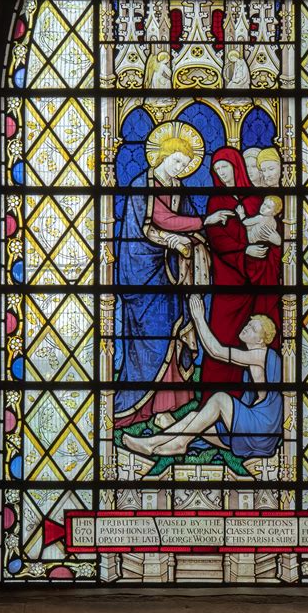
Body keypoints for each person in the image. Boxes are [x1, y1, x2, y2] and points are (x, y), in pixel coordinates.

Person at [114, 122, 209, 426]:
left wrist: (195, 238)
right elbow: (159, 220)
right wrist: (189, 230)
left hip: (170, 273)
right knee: (150, 338)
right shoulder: (142, 185)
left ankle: (166, 408)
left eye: (185, 164)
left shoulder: (179, 188)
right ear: (161, 157)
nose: (180, 168)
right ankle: (143, 406)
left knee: (172, 330)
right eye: (176, 161)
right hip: (143, 274)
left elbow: (183, 221)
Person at [123, 295, 283, 460]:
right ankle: (152, 443)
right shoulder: (255, 358)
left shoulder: (261, 355)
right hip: (256, 434)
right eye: (249, 323)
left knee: (220, 398)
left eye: (253, 329)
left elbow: (217, 351)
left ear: (261, 340)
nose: (247, 327)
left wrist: (199, 317)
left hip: (260, 432)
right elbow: (212, 350)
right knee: (194, 417)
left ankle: (178, 443)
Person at [201, 146, 263, 392]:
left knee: (247, 339)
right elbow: (217, 240)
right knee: (222, 333)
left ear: (236, 166)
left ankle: (240, 396)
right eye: (217, 170)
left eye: (225, 167)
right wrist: (244, 251)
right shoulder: (216, 200)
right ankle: (211, 396)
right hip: (227, 279)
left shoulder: (254, 198)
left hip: (255, 279)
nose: (223, 174)